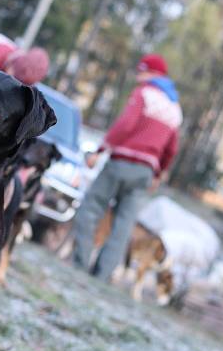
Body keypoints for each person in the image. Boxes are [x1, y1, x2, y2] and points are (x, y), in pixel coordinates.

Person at [71, 53, 182, 280]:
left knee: (90, 209)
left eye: (142, 71)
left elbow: (125, 126)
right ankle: (101, 275)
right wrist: (158, 174)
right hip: (145, 172)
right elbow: (171, 149)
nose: (138, 76)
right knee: (123, 225)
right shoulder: (174, 108)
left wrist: (101, 150)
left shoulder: (144, 94)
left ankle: (80, 265)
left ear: (152, 73)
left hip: (122, 162)